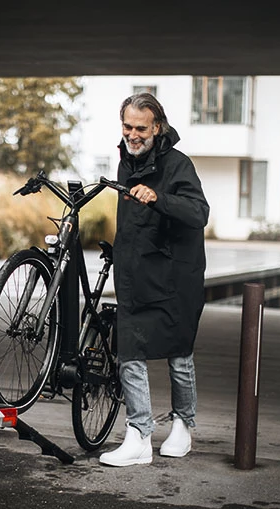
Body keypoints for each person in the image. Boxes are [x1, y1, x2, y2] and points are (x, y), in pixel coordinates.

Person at [99, 92, 209, 467]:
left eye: (140, 128)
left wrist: (158, 196)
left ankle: (183, 424)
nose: (132, 134)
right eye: (127, 126)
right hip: (136, 272)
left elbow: (198, 213)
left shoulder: (179, 165)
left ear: (157, 127)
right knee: (128, 349)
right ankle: (139, 435)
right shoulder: (124, 164)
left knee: (178, 353)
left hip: (176, 275)